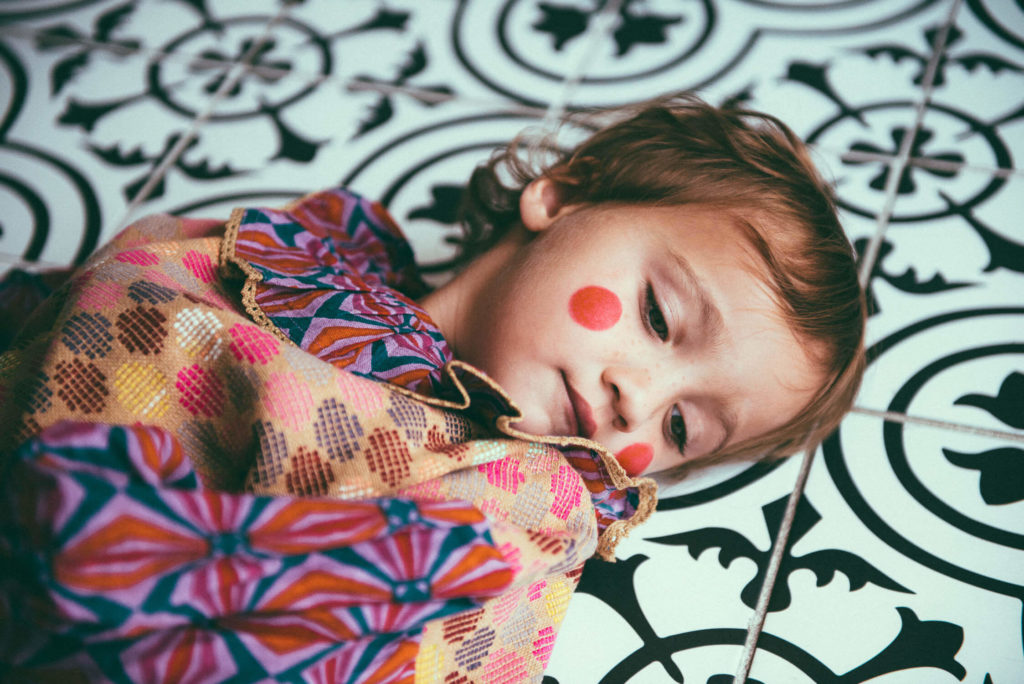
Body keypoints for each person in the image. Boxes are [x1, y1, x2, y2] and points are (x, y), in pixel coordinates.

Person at [0, 93, 864, 682]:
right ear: (562, 197)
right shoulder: (306, 257)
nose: (639, 400)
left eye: (681, 427)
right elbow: (119, 298)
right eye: (658, 316)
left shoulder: (519, 496)